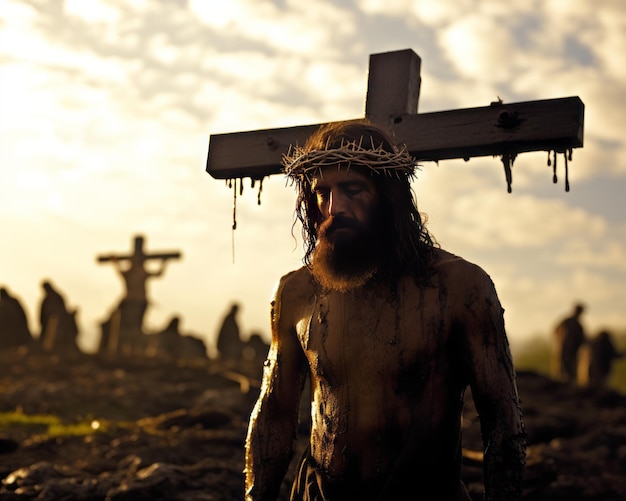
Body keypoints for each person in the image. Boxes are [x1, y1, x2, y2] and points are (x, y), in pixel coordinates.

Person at [244, 121, 526, 500]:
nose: (334, 207)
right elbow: (275, 413)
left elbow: (503, 420)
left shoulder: (459, 287)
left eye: (353, 190)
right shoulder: (296, 292)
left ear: (388, 196)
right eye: (322, 193)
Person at [552, 303, 586, 382]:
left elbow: (582, 339)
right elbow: (556, 331)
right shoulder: (570, 322)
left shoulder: (577, 324)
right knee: (563, 370)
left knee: (568, 371)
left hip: (571, 351)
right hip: (565, 349)